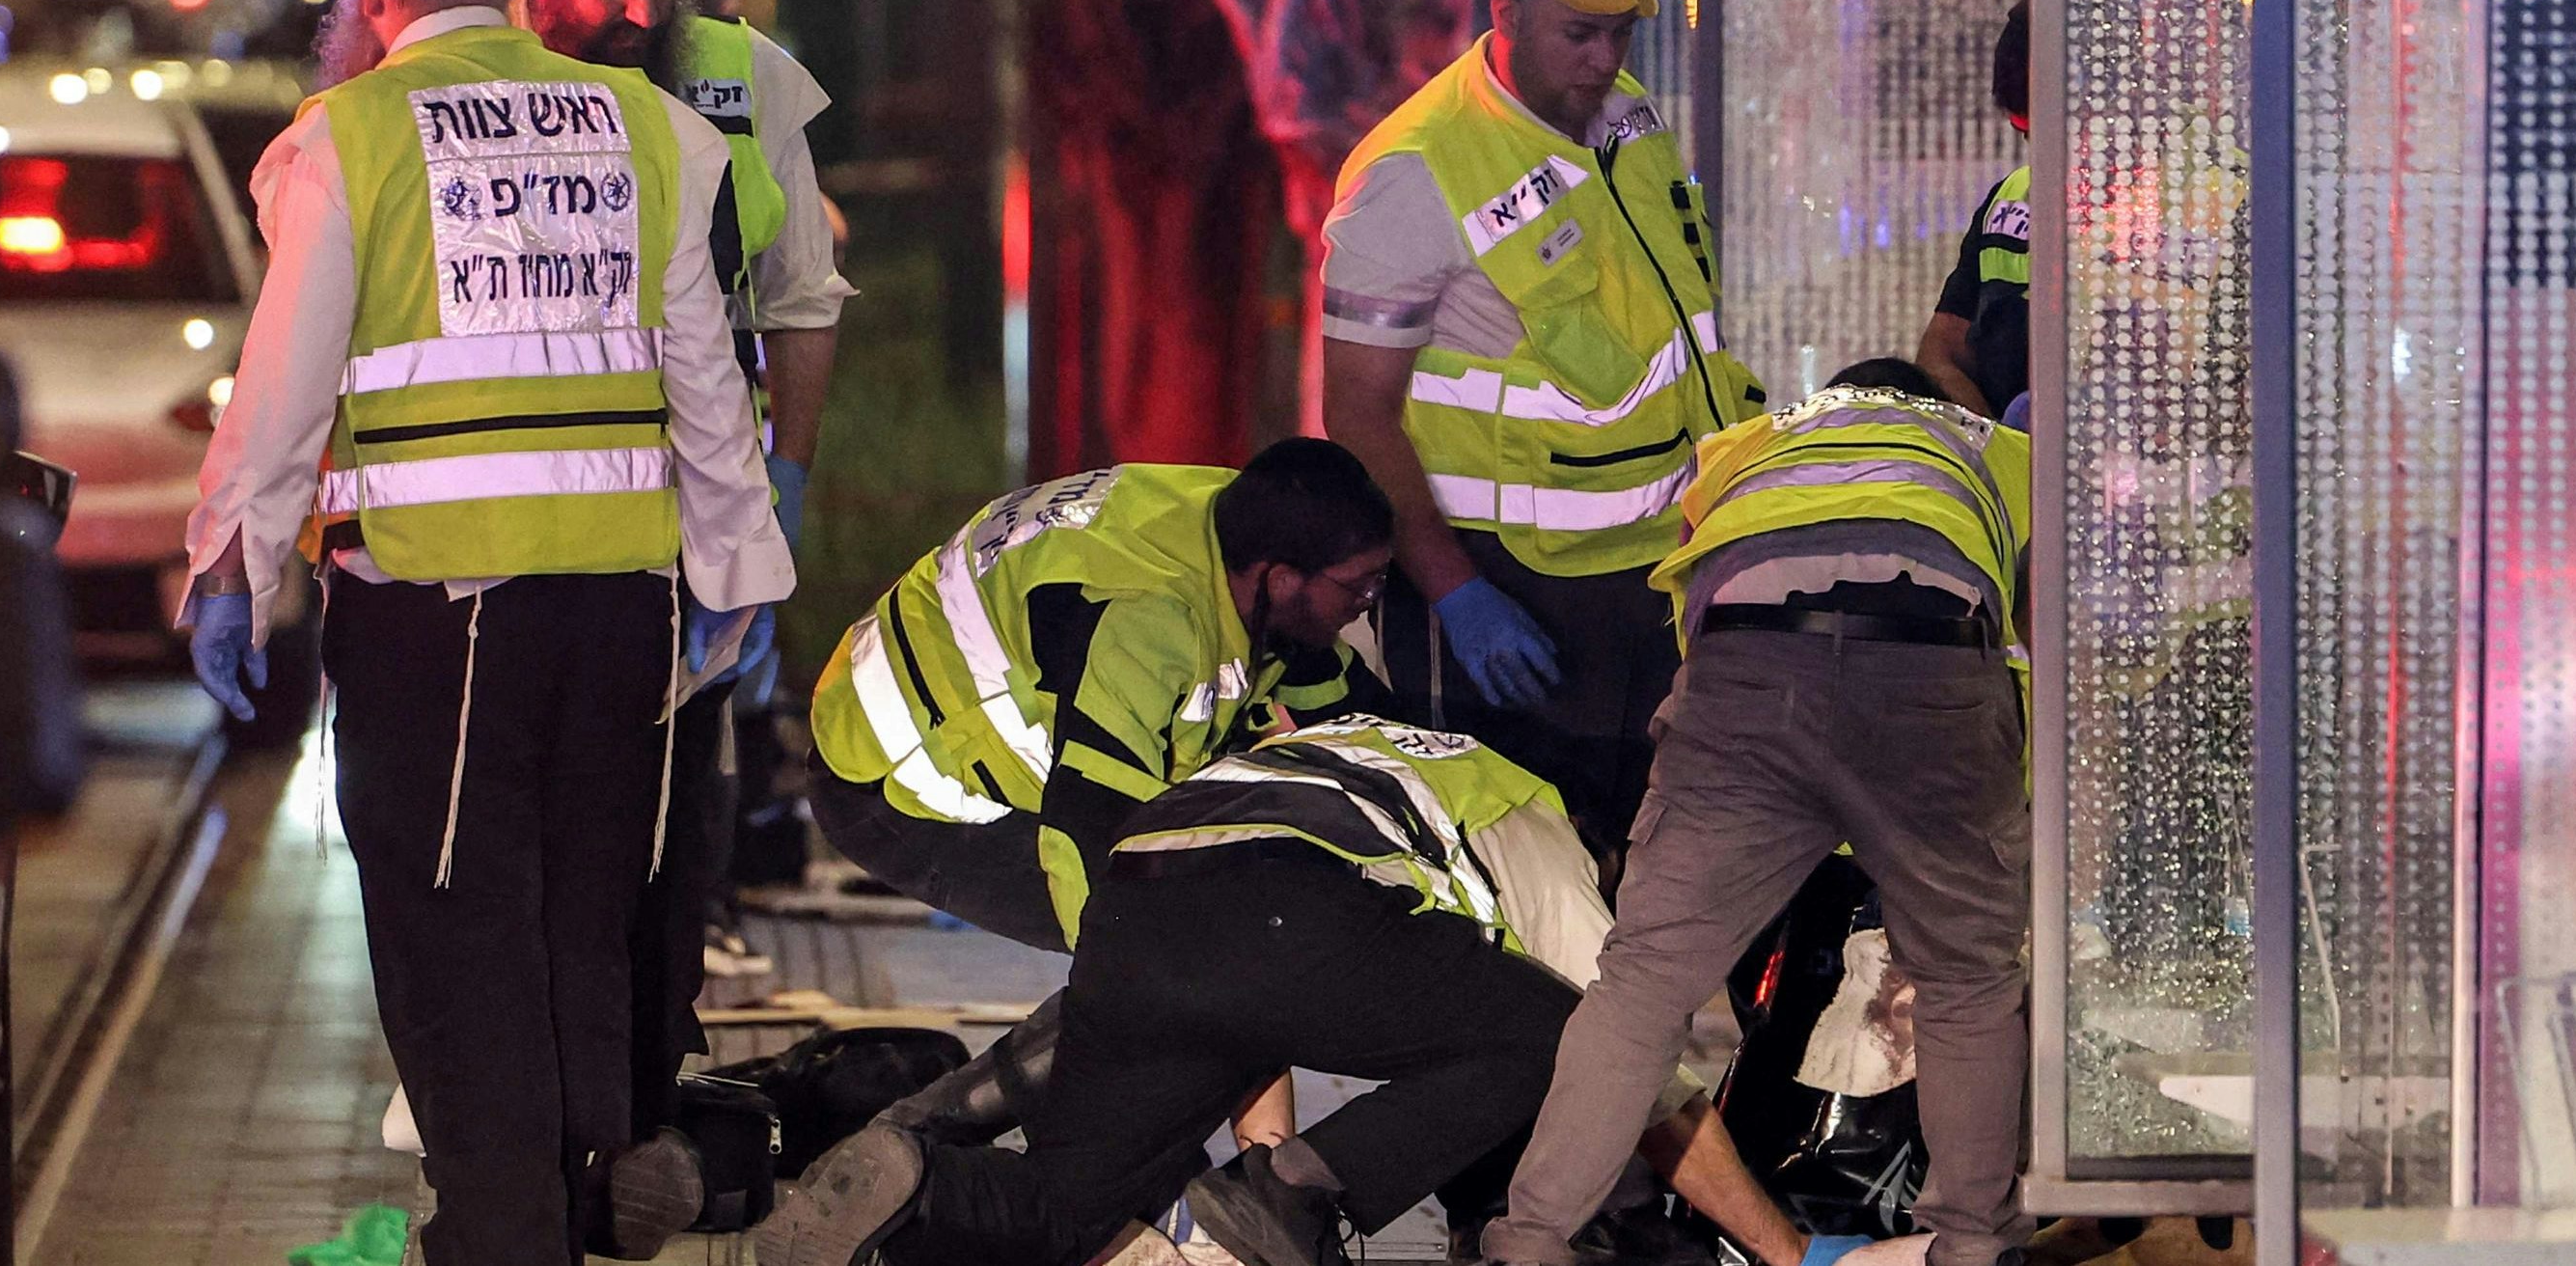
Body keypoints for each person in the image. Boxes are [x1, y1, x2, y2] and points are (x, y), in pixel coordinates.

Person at [178, 0, 791, 1266]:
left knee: (457, 919)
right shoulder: (645, 128)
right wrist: (737, 575)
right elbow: (704, 372)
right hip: (627, 605)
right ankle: (566, 1198)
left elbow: (284, 385)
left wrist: (232, 560)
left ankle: (504, 1227)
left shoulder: (352, 137)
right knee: (589, 905)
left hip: (442, 613)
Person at [759, 719, 1827, 1266]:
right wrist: (1783, 1252)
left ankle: (915, 1182)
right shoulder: (1528, 813)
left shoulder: (1355, 746)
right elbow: (1636, 1068)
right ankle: (1309, 1188)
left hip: (1136, 909)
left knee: (1063, 1208)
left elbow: (1253, 1016)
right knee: (1568, 1034)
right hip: (1274, 914)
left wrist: (1252, 1184)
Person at [1481, 360, 2034, 1266]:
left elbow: (1697, 607)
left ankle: (1529, 1241)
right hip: (1927, 663)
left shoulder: (1752, 444)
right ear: (1931, 408)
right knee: (1969, 982)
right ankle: (1974, 1247)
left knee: (1644, 985)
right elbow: (2036, 636)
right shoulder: (1990, 448)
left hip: (1744, 672)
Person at [527, 0, 857, 1235]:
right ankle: (541, 1121)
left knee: (673, 839)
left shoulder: (745, 81)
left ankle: (632, 1117)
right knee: (539, 842)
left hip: (693, 530)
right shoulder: (502, 86)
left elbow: (800, 296)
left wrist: (784, 479)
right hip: (537, 528)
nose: (647, 13)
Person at [1317, 0, 1762, 854]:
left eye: (1618, 32)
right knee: (1508, 875)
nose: (1602, 60)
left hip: (1653, 574)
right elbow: (1356, 412)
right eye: (1578, 33)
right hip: (1508, 587)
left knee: (1633, 863)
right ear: (1506, 10)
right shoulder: (1414, 173)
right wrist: (1452, 593)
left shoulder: (1621, 114)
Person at [803, 446, 1394, 1144]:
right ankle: (913, 1148)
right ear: (1283, 578)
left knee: (1213, 949)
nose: (1365, 607)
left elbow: (1345, 713)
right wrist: (1150, 988)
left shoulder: (1239, 531)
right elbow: (1086, 835)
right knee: (1170, 963)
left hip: (971, 728)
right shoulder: (1146, 616)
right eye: (1359, 589)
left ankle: (1260, 1177)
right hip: (899, 780)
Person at [1914, 1, 2029, 419]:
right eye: (2021, 124)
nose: (2035, 142)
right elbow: (1940, 352)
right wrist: (1999, 447)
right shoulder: (2012, 198)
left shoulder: (2208, 198)